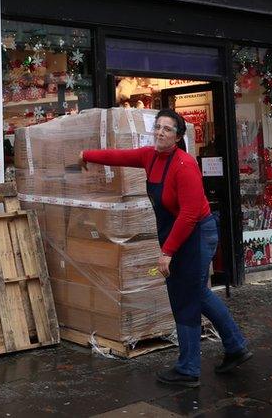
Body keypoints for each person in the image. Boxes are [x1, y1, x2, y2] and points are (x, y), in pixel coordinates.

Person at [80, 109, 251, 387]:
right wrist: (87, 155)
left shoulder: (184, 165)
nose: (160, 132)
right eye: (157, 127)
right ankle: (235, 346)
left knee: (186, 297)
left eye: (167, 129)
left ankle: (189, 368)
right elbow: (120, 157)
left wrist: (167, 252)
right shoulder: (150, 156)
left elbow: (190, 214)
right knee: (197, 293)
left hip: (195, 233)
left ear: (178, 136)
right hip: (179, 233)